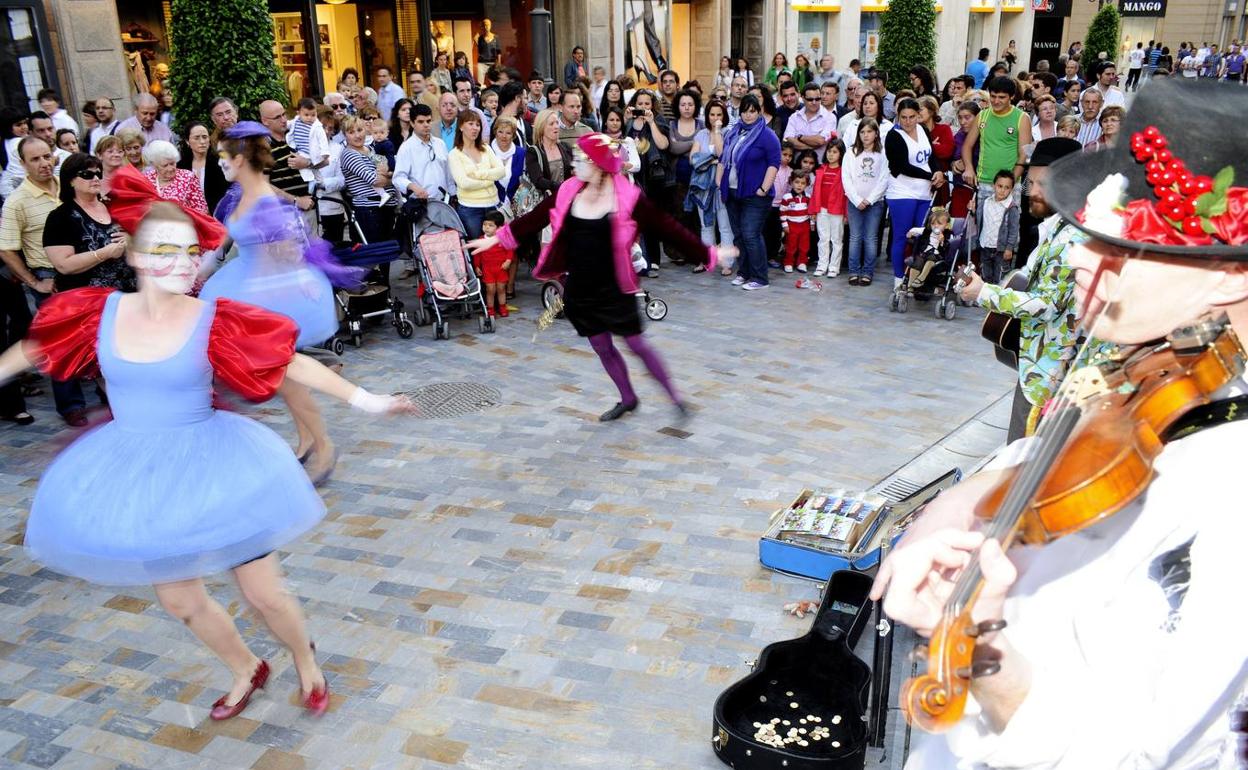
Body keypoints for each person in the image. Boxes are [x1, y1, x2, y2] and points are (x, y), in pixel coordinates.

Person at [874, 80, 1248, 769]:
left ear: (1225, 275)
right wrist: (970, 494)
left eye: (1121, 244)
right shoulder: (1165, 358)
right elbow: (1064, 443)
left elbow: (1123, 750)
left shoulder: (1233, 493)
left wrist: (984, 649)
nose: (1077, 256)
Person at [0, 169, 413, 723]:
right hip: (140, 471)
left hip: (217, 466)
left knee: (263, 594)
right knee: (179, 599)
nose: (183, 262)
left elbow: (293, 363)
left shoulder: (216, 318)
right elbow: (26, 353)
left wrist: (370, 400)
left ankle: (303, 658)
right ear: (139, 257)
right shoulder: (94, 315)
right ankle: (246, 667)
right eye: (166, 251)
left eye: (192, 252)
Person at [469, 133, 731, 421]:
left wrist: (708, 255)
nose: (574, 165)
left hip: (615, 286)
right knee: (602, 346)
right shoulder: (569, 190)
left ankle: (675, 398)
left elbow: (668, 228)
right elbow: (535, 217)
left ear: (598, 164)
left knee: (636, 345)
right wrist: (497, 240)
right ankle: (628, 398)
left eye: (581, 159)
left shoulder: (628, 197)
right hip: (580, 286)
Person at [199, 122, 348, 484]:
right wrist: (200, 271)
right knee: (285, 376)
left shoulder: (265, 199)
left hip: (273, 295)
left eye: (223, 157)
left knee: (284, 376)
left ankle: (324, 445)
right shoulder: (242, 195)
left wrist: (283, 281)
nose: (220, 164)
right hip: (249, 287)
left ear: (239, 160)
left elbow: (291, 249)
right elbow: (226, 244)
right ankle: (308, 439)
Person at [958, 136, 1084, 440]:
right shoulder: (1058, 224)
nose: (1033, 192)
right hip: (1037, 365)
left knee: (1022, 459)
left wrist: (983, 293)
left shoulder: (1075, 238)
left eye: (1043, 184)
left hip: (1049, 374)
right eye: (1031, 183)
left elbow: (1045, 304)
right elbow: (1030, 276)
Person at [42, 152, 134, 296]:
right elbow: (64, 265)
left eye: (98, 174)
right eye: (87, 174)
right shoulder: (60, 217)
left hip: (127, 293)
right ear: (70, 180)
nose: (96, 178)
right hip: (88, 300)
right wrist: (105, 253)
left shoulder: (113, 206)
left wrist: (131, 239)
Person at [718, 94, 781, 291]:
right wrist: (719, 183)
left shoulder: (767, 135)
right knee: (738, 235)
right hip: (733, 193)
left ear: (759, 111)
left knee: (751, 234)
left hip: (755, 195)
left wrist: (763, 188)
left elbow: (774, 163)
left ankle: (760, 277)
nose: (748, 115)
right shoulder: (733, 132)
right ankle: (744, 272)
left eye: (752, 111)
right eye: (745, 110)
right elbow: (722, 158)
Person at [885, 98, 944, 288]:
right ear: (898, 116)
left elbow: (932, 156)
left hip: (924, 193)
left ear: (918, 116)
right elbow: (901, 166)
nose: (908, 121)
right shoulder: (893, 136)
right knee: (902, 235)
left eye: (912, 117)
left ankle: (916, 278)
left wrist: (937, 171)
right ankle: (898, 278)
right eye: (904, 117)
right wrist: (929, 175)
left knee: (923, 237)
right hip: (902, 192)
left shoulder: (923, 130)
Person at [625, 90, 671, 276]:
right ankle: (637, 259)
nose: (643, 107)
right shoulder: (629, 121)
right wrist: (626, 118)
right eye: (640, 103)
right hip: (632, 176)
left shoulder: (658, 121)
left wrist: (651, 122)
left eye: (647, 104)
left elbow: (663, 145)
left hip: (652, 177)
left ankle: (653, 261)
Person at [338, 114, 399, 241]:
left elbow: (389, 169)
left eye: (359, 130)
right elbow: (375, 180)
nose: (357, 135)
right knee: (375, 253)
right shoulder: (349, 154)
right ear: (345, 135)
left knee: (387, 253)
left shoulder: (370, 148)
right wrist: (392, 178)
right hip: (369, 209)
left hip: (386, 207)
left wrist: (390, 174)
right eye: (351, 132)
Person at [843, 118, 888, 286]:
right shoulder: (851, 152)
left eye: (869, 131)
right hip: (854, 202)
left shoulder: (882, 153)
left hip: (875, 203)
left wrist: (869, 200)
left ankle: (868, 271)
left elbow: (884, 179)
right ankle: (854, 270)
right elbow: (846, 177)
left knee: (870, 238)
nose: (865, 135)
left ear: (876, 133)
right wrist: (856, 199)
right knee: (855, 237)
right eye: (862, 132)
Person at [447, 110, 503, 240]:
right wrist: (490, 179)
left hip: (492, 205)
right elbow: (464, 183)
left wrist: (479, 174)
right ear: (461, 126)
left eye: (477, 125)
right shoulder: (454, 154)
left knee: (494, 248)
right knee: (475, 247)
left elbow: (501, 171)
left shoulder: (486, 148)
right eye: (470, 124)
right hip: (470, 208)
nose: (475, 128)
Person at [394, 103, 451, 205]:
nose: (426, 125)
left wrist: (453, 195)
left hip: (444, 203)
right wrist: (413, 187)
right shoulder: (406, 148)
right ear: (412, 123)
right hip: (420, 204)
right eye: (421, 122)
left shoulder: (440, 144)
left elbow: (448, 174)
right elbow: (398, 178)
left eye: (428, 121)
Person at [975, 169, 1020, 284]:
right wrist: (972, 210)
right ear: (993, 185)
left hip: (1001, 249)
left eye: (1007, 188)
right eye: (1000, 186)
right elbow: (979, 219)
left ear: (1011, 189)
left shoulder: (1011, 208)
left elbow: (1014, 230)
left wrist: (1009, 248)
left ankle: (996, 298)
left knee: (1000, 276)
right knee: (985, 274)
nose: (1002, 190)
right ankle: (984, 298)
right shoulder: (986, 202)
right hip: (985, 245)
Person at [810, 140, 847, 278]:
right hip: (822, 209)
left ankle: (834, 267)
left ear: (841, 154)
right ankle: (822, 265)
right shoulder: (821, 170)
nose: (831, 155)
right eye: (829, 151)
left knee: (836, 239)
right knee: (823, 238)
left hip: (837, 210)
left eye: (835, 152)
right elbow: (815, 192)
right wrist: (814, 210)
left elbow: (846, 195)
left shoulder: (843, 172)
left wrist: (845, 213)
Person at [140, 139, 207, 215]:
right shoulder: (147, 178)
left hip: (183, 224)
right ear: (155, 165)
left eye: (172, 163)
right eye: (165, 165)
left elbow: (201, 209)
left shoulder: (188, 177)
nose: (170, 168)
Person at [472, 209, 512, 317]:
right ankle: (490, 308)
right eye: (484, 224)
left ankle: (502, 306)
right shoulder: (481, 239)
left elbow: (510, 249)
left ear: (499, 228)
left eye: (490, 225)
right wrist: (477, 266)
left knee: (501, 288)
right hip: (487, 269)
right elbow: (477, 254)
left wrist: (508, 260)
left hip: (501, 268)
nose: (486, 227)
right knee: (490, 289)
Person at [784, 82, 835, 163]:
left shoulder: (830, 117)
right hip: (797, 167)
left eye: (817, 99)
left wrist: (800, 137)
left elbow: (820, 141)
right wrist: (811, 147)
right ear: (803, 98)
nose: (814, 102)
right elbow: (789, 141)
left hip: (819, 166)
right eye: (810, 99)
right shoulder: (794, 117)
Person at [903, 206, 952, 290]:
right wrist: (910, 232)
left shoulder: (948, 235)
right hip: (924, 253)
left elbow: (948, 247)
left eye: (939, 224)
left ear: (946, 225)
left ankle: (921, 278)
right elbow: (915, 230)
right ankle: (910, 285)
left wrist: (942, 241)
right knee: (917, 261)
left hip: (937, 255)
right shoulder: (926, 231)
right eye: (933, 224)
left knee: (931, 259)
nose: (935, 226)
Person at [778, 170, 812, 273]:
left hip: (805, 225)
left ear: (806, 185)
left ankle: (802, 262)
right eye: (797, 182)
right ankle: (788, 262)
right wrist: (785, 225)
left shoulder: (808, 197)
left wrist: (812, 223)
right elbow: (782, 212)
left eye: (803, 183)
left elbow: (810, 211)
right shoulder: (787, 197)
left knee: (804, 245)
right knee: (791, 245)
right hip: (792, 225)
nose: (799, 185)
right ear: (791, 182)